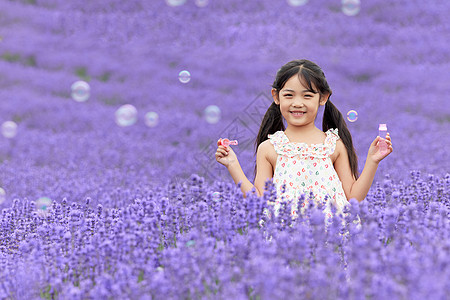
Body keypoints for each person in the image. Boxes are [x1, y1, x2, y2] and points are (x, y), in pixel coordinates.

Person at [215, 59, 393, 224]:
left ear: (323, 97)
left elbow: (352, 199)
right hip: (285, 236)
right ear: (276, 97)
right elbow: (259, 202)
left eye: (307, 96)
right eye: (289, 95)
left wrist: (372, 161)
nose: (297, 103)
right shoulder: (269, 148)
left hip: (331, 235)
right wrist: (233, 165)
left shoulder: (333, 145)